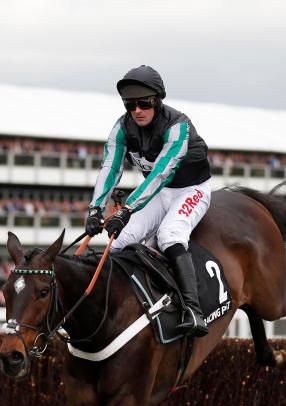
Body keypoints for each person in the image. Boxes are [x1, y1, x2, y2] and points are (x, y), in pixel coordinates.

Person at [84, 65, 213, 337]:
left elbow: (160, 172)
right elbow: (110, 167)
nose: (137, 110)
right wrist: (95, 209)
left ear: (158, 100)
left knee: (169, 234)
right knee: (118, 241)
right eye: (130, 105)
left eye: (144, 103)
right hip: (158, 192)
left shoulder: (178, 126)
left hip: (191, 189)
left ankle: (193, 309)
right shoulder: (121, 128)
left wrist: (128, 208)